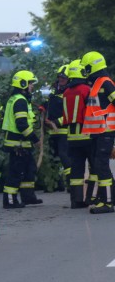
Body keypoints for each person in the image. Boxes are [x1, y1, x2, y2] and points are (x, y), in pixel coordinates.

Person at [49, 60, 92, 208]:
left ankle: (76, 200)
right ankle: (92, 199)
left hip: (71, 136)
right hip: (87, 133)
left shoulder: (66, 92)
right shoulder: (85, 90)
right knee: (95, 168)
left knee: (76, 170)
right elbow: (91, 111)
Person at [0, 70, 42, 208]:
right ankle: (10, 201)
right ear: (23, 83)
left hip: (21, 143)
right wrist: (35, 139)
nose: (32, 86)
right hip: (18, 144)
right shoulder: (20, 101)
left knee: (29, 169)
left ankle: (28, 197)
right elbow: (22, 124)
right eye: (30, 83)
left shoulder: (19, 99)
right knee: (16, 172)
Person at [80, 51, 115, 214]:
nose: (85, 71)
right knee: (99, 166)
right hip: (98, 133)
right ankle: (106, 198)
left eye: (86, 67)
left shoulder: (106, 83)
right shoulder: (97, 83)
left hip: (105, 131)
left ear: (93, 66)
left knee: (101, 166)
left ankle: (108, 202)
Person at [44, 65, 71, 191]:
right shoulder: (55, 92)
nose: (61, 80)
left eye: (64, 78)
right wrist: (43, 107)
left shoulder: (69, 93)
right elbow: (51, 106)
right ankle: (56, 183)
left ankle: (71, 183)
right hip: (52, 131)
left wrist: (55, 122)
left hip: (64, 131)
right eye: (60, 77)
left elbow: (69, 114)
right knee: (53, 157)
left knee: (64, 156)